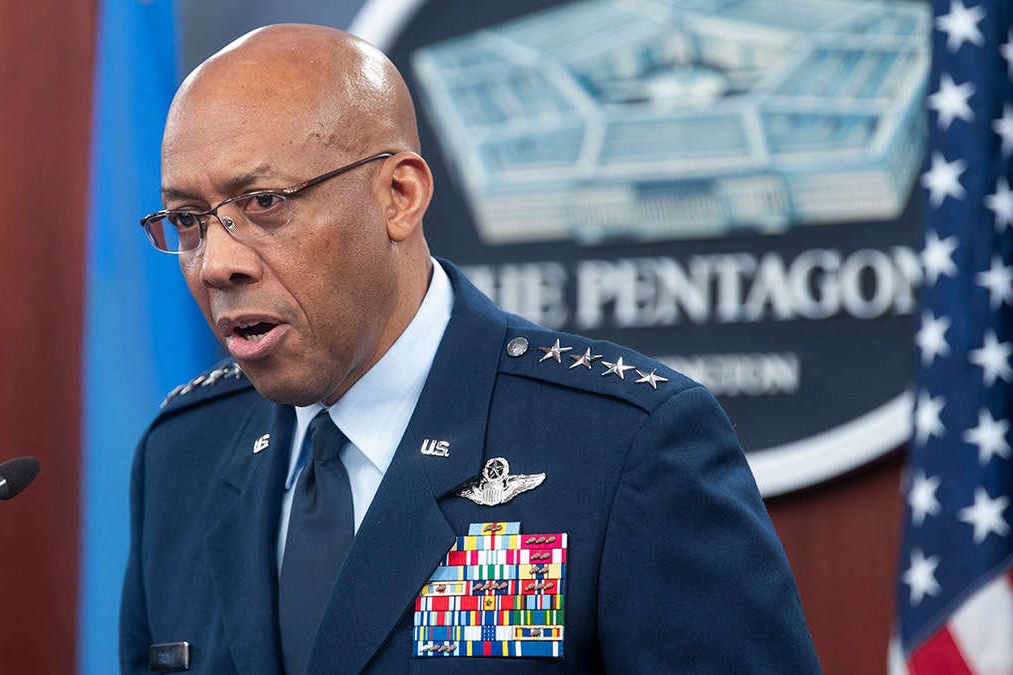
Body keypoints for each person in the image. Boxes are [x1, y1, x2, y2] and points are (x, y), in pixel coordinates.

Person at [119, 23, 820, 674]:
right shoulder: (183, 453)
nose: (216, 263)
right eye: (187, 220)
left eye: (266, 202)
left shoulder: (622, 446)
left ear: (398, 196)